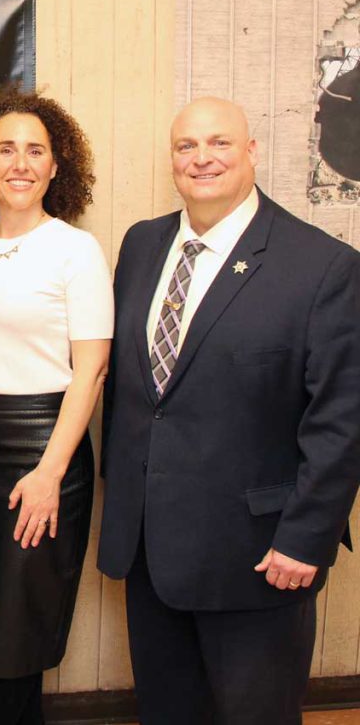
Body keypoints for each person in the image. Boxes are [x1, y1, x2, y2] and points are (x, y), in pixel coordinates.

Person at [98, 97, 360, 724]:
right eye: (186, 146)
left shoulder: (322, 267)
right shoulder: (142, 245)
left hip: (259, 559)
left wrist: (306, 538)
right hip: (150, 550)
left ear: (251, 152)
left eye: (219, 143)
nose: (202, 158)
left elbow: (342, 419)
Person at [0, 85, 113, 725]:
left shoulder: (75, 250)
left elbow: (91, 370)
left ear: (56, 164)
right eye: (5, 148)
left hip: (47, 445)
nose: (20, 163)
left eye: (35, 151)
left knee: (24, 624)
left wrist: (49, 472)